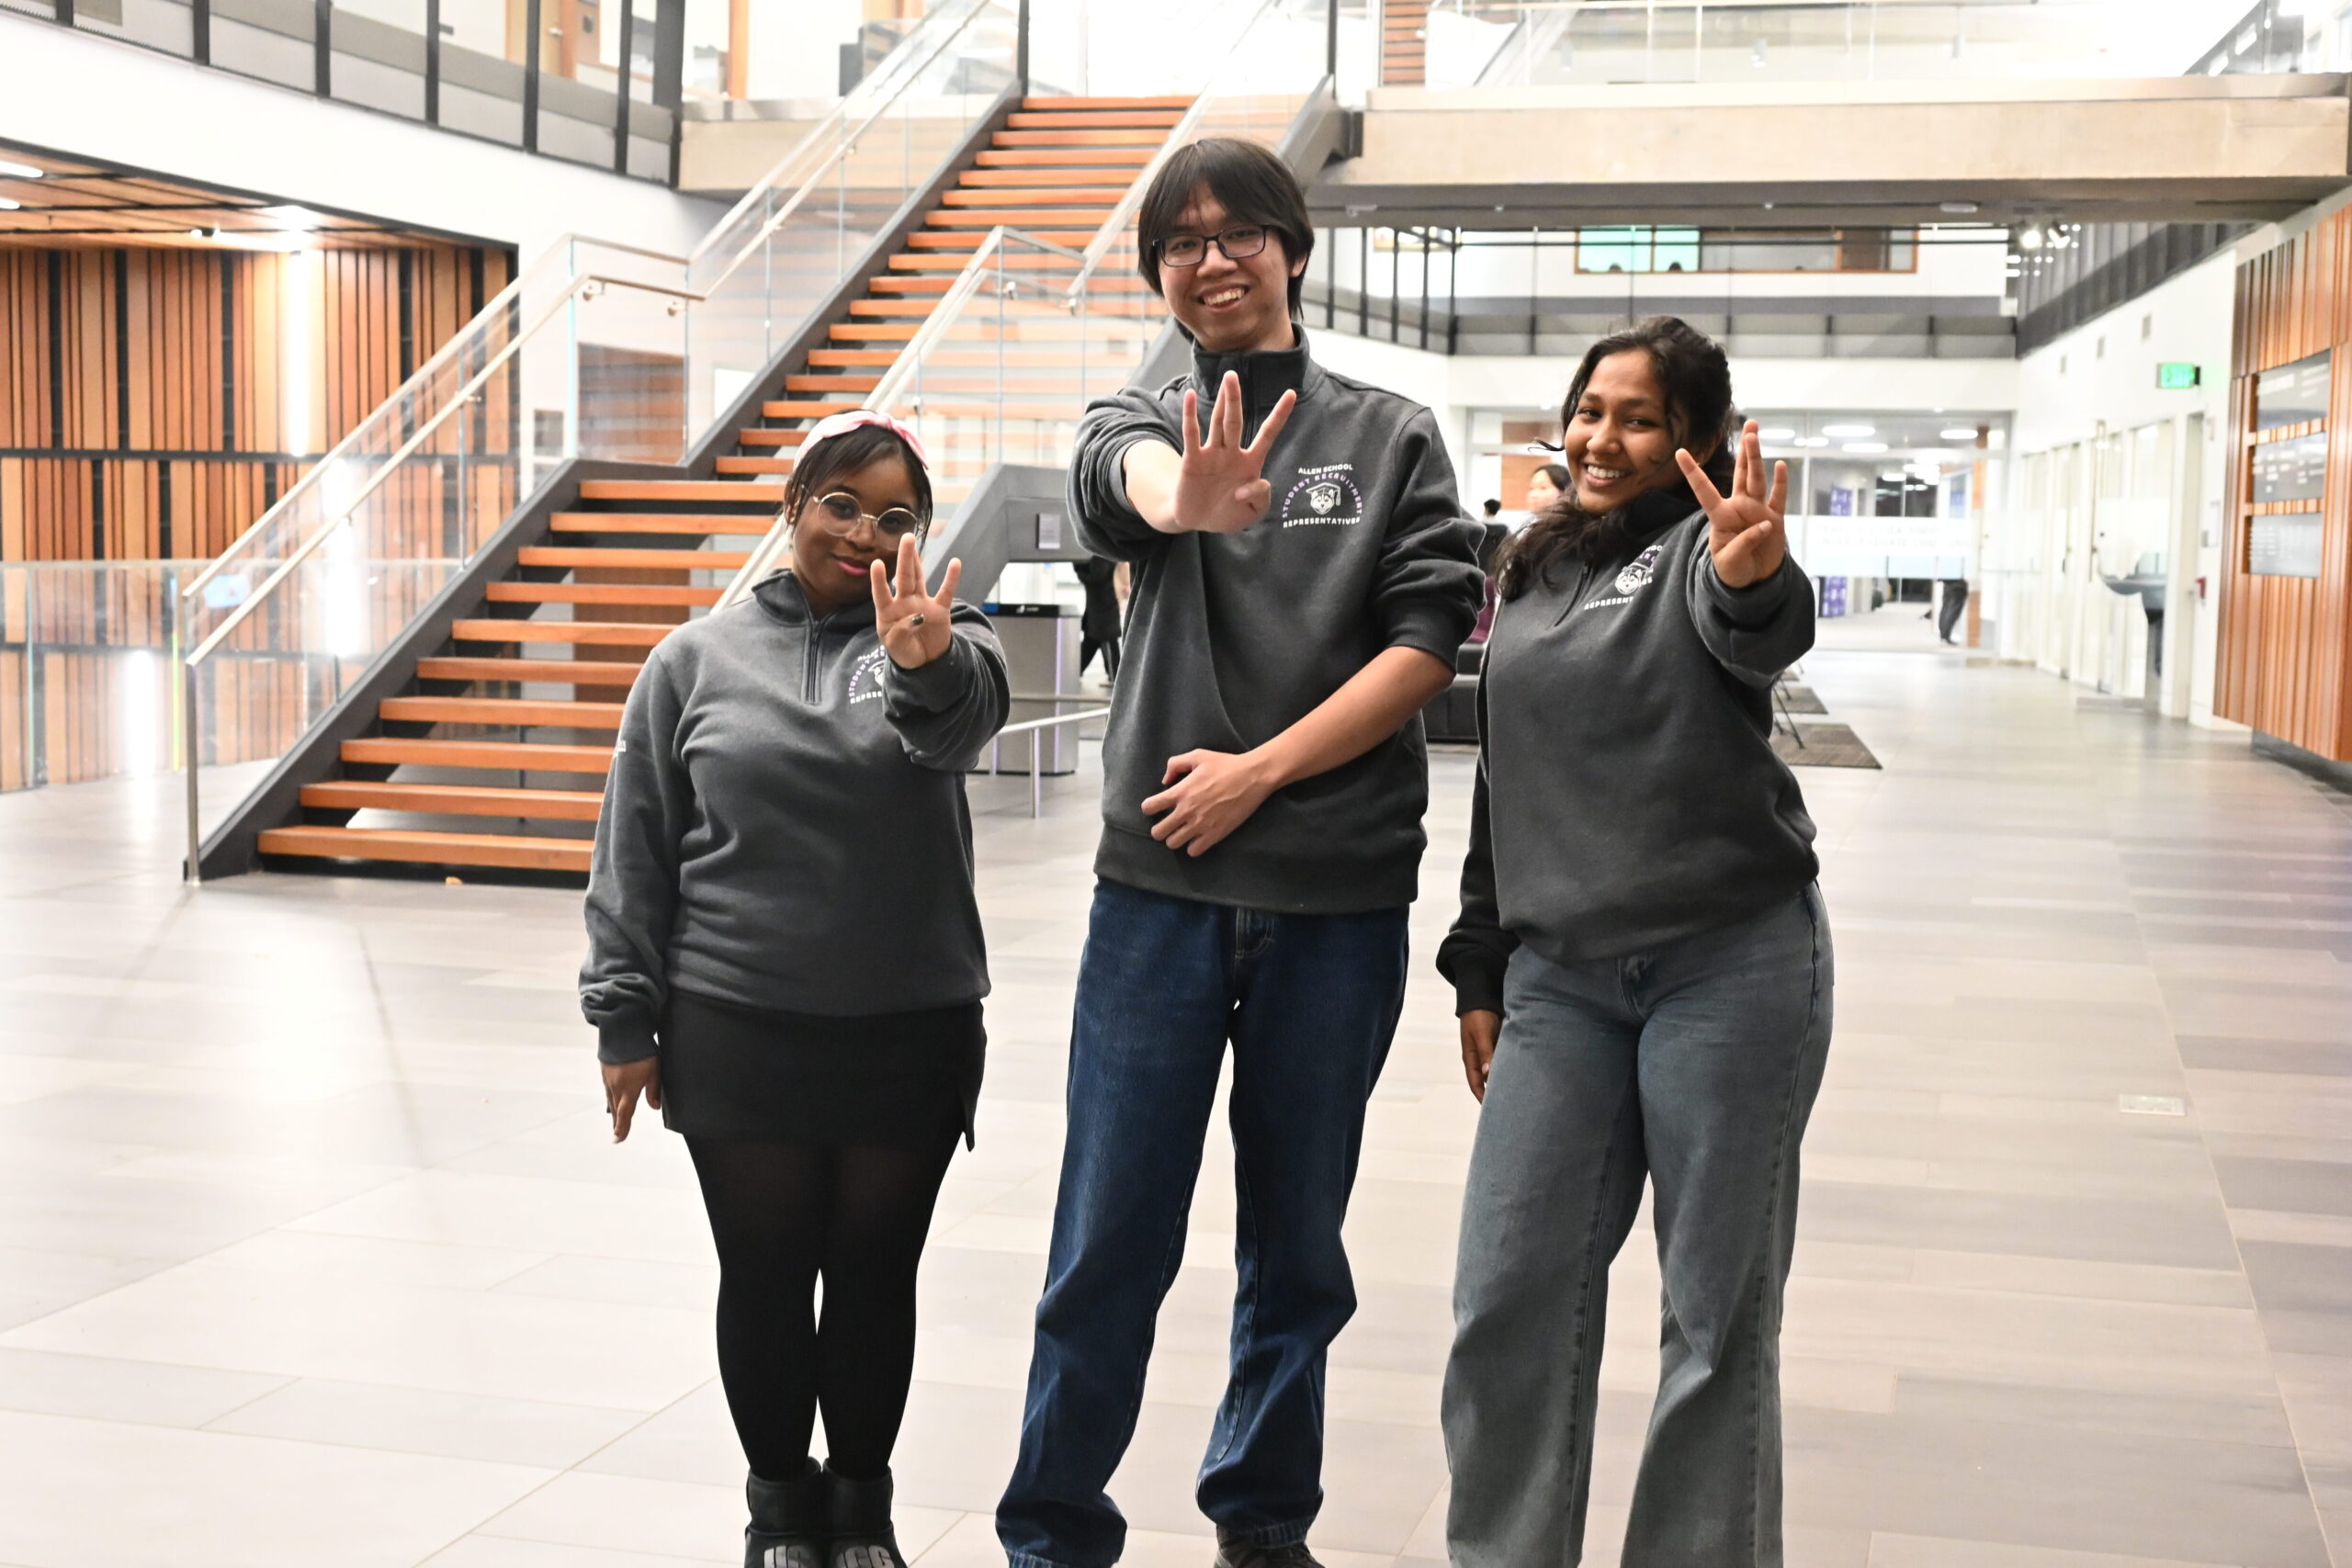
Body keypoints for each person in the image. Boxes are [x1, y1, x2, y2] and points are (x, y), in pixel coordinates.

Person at [996, 137, 1484, 1568]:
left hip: (1333, 894)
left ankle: (1262, 1517)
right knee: (1109, 1234)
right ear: (1158, 270)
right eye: (1181, 241)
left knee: (1298, 1244)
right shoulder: (1134, 414)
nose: (1212, 259)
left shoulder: (1391, 433)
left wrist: (1263, 770)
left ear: (1291, 247)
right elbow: (1124, 473)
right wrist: (1182, 497)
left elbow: (1427, 642)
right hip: (1158, 893)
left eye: (1238, 233)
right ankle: (1052, 1529)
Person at [1435, 317, 1833, 1568]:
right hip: (1562, 979)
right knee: (1508, 1294)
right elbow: (1509, 773)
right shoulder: (1531, 565)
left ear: (1697, 440)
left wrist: (1756, 570)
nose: (1604, 437)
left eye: (1641, 416)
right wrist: (1481, 954)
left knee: (1713, 1316)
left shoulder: (1704, 553)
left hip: (1731, 962)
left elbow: (1753, 620)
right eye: (1590, 409)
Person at [582, 410, 1010, 1568]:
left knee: (875, 1278)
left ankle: (860, 1512)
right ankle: (779, 1511)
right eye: (842, 507)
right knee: (765, 1277)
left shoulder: (945, 635)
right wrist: (622, 1014)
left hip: (907, 1025)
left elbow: (965, 724)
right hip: (736, 1022)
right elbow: (636, 847)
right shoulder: (693, 659)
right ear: (794, 510)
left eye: (896, 517)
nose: (865, 535)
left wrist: (923, 659)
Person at [1073, 552, 1124, 678]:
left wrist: (1078, 569)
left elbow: (1096, 576)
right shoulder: (1106, 554)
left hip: (1103, 614)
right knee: (1091, 645)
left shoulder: (1099, 556)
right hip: (1101, 612)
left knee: (1105, 645)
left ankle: (1115, 678)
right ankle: (1072, 673)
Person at [1936, 573, 1970, 644]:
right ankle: (1946, 635)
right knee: (1953, 611)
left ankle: (1943, 634)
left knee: (1945, 608)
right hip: (1958, 584)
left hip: (1948, 583)